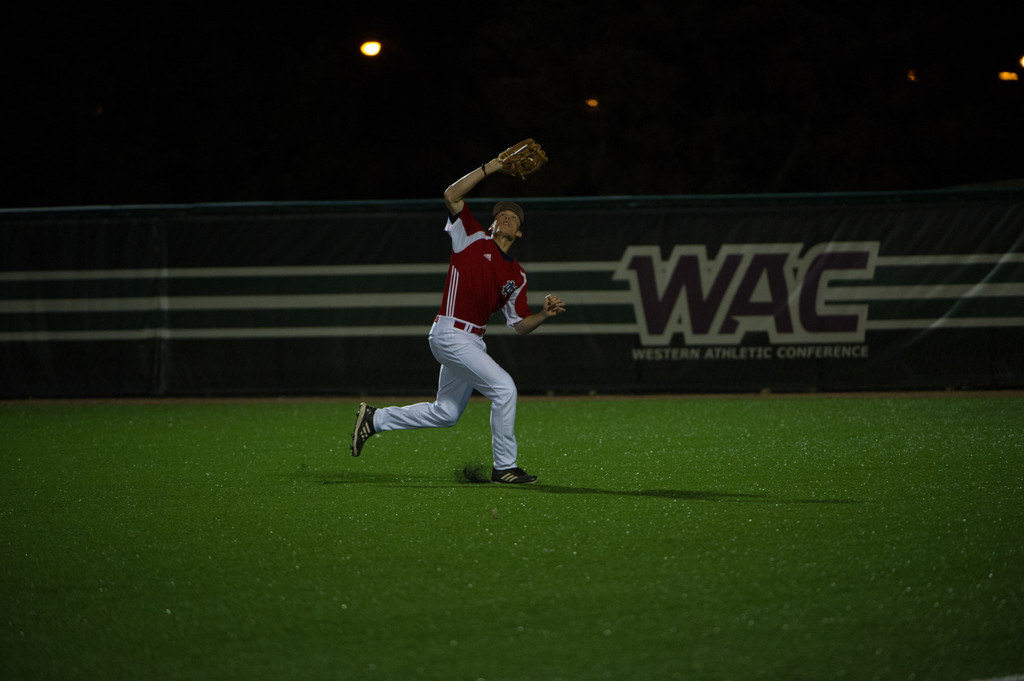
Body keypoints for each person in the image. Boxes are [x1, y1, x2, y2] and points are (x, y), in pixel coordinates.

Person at [349, 150, 566, 483]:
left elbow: (520, 325)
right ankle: (505, 467)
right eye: (501, 214)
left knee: (446, 412)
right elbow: (451, 195)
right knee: (505, 389)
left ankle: (375, 420)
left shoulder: (518, 276)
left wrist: (543, 314)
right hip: (450, 334)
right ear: (491, 224)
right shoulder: (472, 237)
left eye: (513, 216)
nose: (506, 216)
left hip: (472, 341)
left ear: (519, 233)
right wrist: (491, 167)